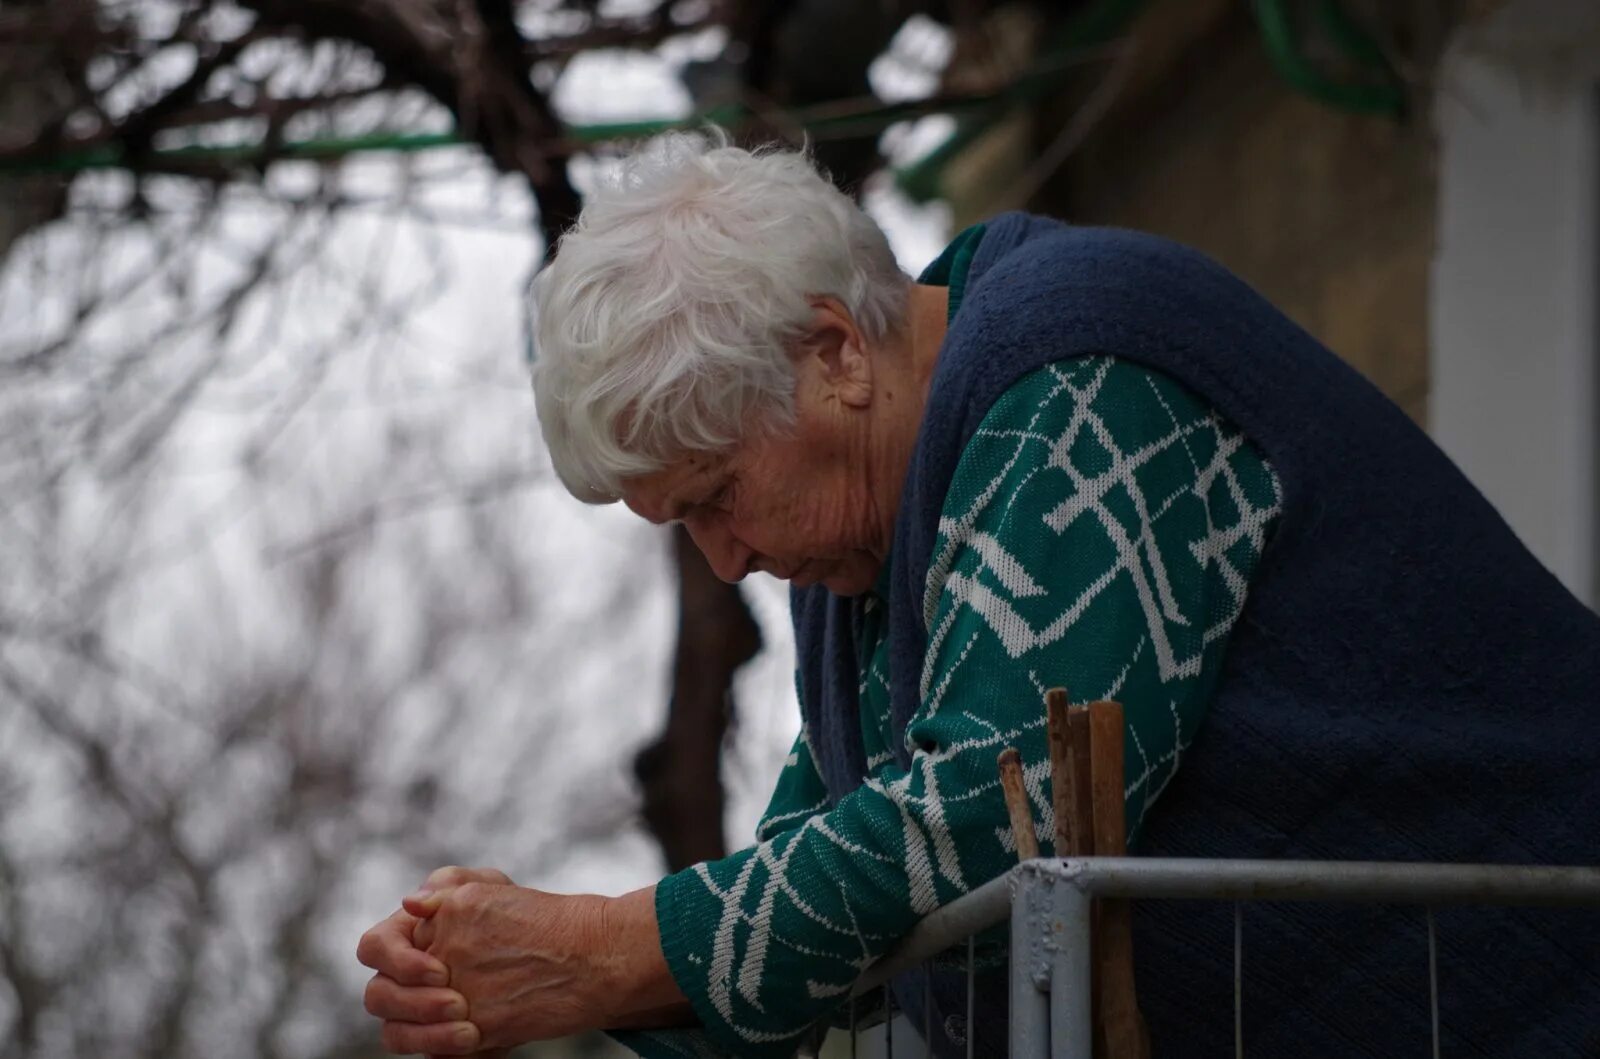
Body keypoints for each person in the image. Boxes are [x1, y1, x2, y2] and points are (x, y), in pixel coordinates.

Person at [357, 132, 1600, 1058]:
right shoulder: (868, 538)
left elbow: (995, 807)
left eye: (715, 497)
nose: (724, 562)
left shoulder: (1085, 371)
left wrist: (603, 952)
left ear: (836, 354)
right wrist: (529, 985)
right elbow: (826, 892)